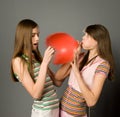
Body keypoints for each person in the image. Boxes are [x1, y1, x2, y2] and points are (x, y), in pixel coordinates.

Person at [55, 24, 115, 117]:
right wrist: (73, 55)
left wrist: (77, 73)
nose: (83, 37)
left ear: (97, 41)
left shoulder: (103, 65)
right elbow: (58, 77)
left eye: (87, 35)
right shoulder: (81, 57)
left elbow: (91, 102)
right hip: (59, 110)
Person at [10, 19, 62, 117]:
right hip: (43, 113)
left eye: (38, 34)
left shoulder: (36, 57)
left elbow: (57, 82)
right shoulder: (18, 61)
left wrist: (72, 61)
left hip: (54, 110)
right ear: (23, 37)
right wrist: (45, 62)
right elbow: (36, 94)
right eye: (33, 35)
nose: (37, 38)